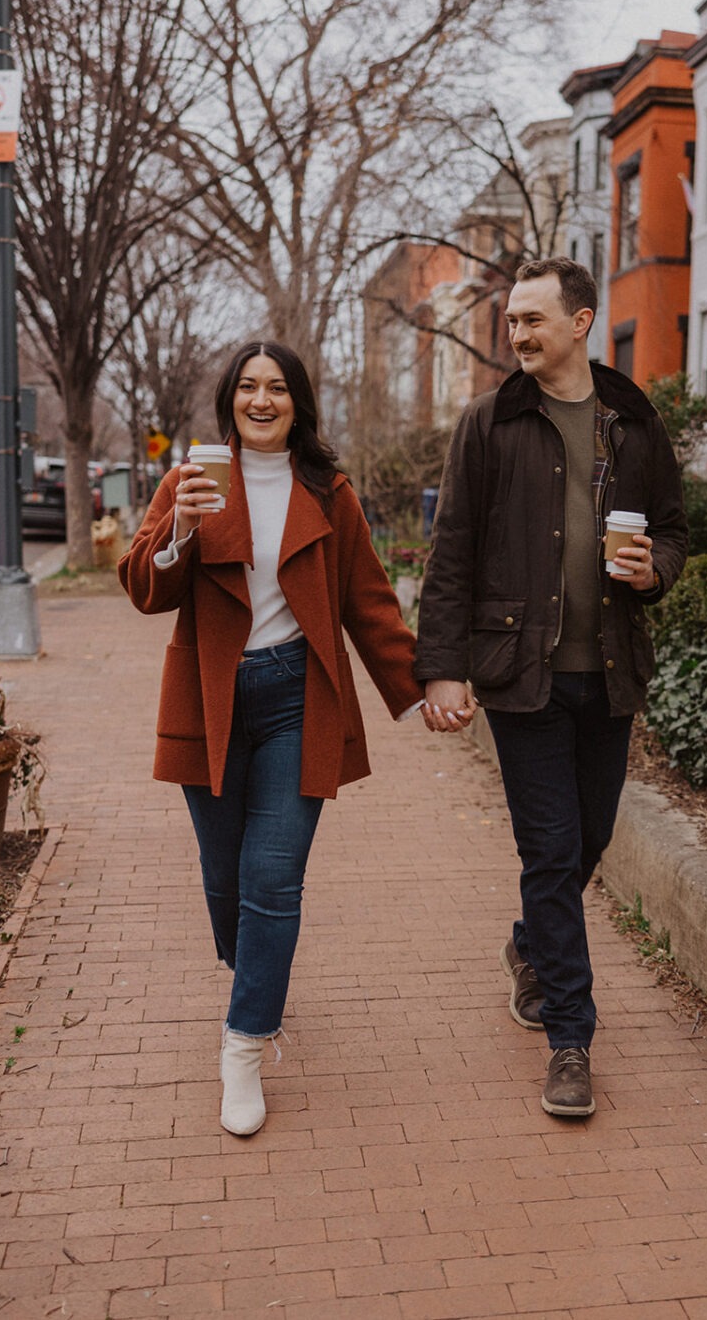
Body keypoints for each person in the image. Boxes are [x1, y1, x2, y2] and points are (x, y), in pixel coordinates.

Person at [119, 341, 423, 1136]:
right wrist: (179, 529)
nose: (262, 400)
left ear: (298, 404)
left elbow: (370, 601)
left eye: (277, 388)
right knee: (226, 885)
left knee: (272, 882)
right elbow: (144, 589)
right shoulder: (188, 479)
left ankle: (244, 1046)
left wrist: (421, 692)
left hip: (298, 697)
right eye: (248, 387)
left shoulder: (327, 489)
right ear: (229, 400)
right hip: (209, 700)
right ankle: (252, 968)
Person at [415, 257, 687, 1118]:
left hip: (608, 674)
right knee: (551, 851)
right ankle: (570, 1039)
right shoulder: (488, 423)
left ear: (580, 322)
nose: (518, 334)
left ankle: (532, 945)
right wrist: (442, 668)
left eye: (533, 319)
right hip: (518, 677)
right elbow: (451, 552)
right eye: (511, 322)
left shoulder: (633, 422)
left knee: (590, 841)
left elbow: (675, 531)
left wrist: (653, 572)